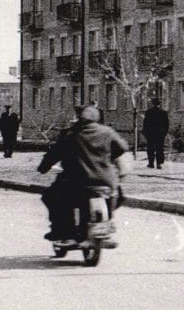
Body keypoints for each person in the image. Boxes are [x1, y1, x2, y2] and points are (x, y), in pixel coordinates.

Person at [37, 104, 130, 242]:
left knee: (51, 196)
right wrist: (108, 158)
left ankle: (64, 232)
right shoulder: (108, 132)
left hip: (77, 182)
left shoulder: (70, 134)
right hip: (106, 180)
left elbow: (54, 153)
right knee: (118, 195)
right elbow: (122, 149)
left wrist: (43, 167)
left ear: (79, 118)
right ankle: (107, 222)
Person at [142, 98, 169, 169]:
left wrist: (145, 133)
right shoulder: (163, 113)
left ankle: (151, 163)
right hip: (160, 134)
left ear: (152, 103)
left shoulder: (148, 112)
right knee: (159, 149)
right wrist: (164, 133)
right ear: (159, 104)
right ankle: (159, 164)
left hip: (150, 134)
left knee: (150, 149)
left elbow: (145, 123)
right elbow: (166, 125)